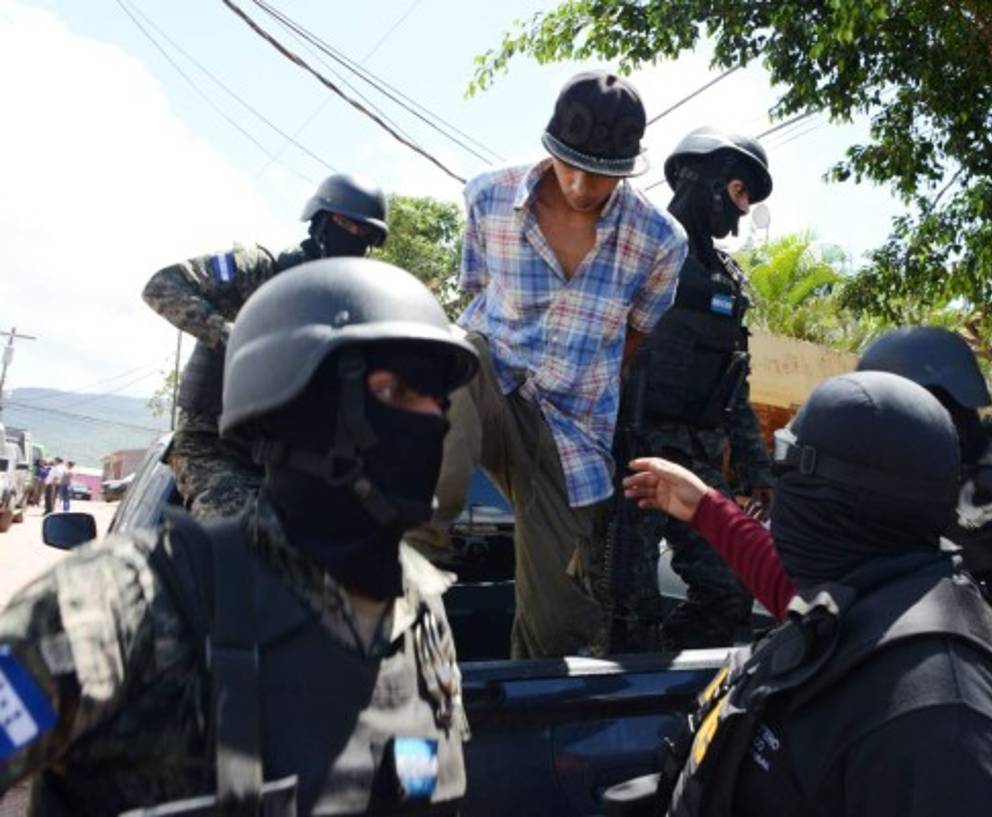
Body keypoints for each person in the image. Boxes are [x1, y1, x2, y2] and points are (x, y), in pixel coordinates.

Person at [0, 258, 476, 815]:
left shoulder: (419, 612)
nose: (433, 423)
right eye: (394, 391)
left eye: (438, 401)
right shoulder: (124, 602)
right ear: (292, 403)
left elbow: (421, 784)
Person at [610, 372, 992, 816]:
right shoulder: (876, 600)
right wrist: (705, 507)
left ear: (842, 498)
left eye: (788, 467)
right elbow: (791, 589)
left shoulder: (941, 724)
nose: (781, 490)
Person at [410, 70, 687, 659]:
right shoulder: (487, 198)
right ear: (549, 149)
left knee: (561, 621)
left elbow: (634, 339)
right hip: (492, 381)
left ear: (629, 167)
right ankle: (411, 556)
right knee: (452, 355)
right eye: (570, 167)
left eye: (603, 173)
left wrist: (580, 374)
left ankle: (527, 721)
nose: (583, 186)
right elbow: (476, 296)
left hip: (572, 431)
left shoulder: (662, 242)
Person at [607, 127, 774, 652]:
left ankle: (675, 690)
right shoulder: (640, 246)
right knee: (626, 606)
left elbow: (734, 383)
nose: (743, 210)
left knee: (727, 592)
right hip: (627, 453)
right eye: (740, 191)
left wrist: (755, 468)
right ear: (703, 177)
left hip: (696, 462)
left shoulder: (725, 279)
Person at [143, 173, 389, 520]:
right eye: (346, 225)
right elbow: (162, 286)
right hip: (213, 447)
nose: (354, 238)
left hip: (294, 462)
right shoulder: (262, 269)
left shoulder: (353, 311)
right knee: (243, 537)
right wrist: (234, 339)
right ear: (320, 222)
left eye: (365, 234)